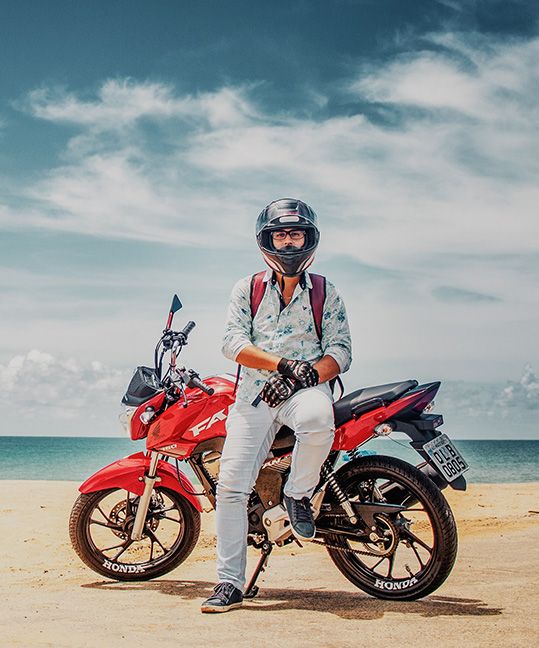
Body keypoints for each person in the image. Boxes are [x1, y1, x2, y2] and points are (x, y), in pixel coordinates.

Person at [201, 198, 352, 613]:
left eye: (296, 234)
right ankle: (229, 584)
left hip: (304, 391)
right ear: (267, 240)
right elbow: (233, 343)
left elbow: (341, 351)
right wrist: (283, 366)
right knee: (231, 487)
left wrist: (305, 375)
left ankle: (298, 494)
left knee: (319, 419)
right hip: (254, 394)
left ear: (309, 239)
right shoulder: (246, 289)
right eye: (280, 235)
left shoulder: (326, 291)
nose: (288, 243)